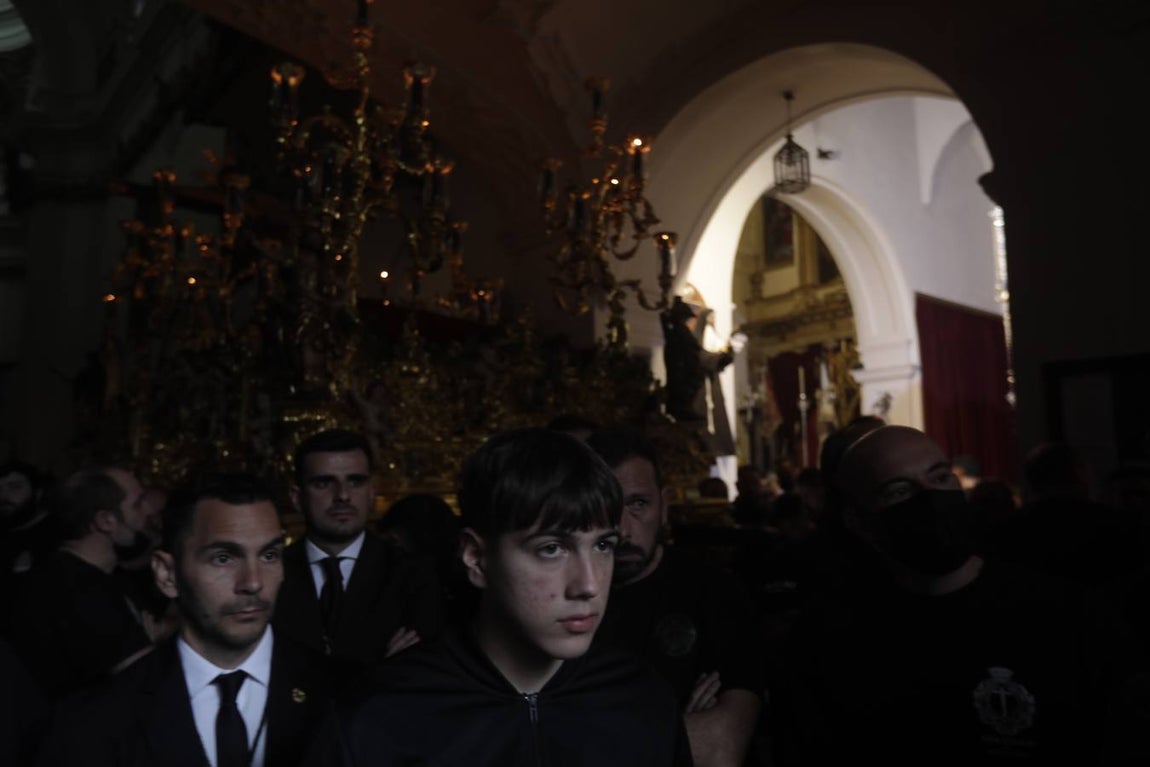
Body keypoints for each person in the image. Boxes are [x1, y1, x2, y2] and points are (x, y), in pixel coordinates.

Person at [774, 425, 1149, 766]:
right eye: (899, 491)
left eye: (940, 477)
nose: (931, 499)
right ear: (859, 522)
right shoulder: (829, 639)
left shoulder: (1070, 616)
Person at [317, 428, 690, 765]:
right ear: (476, 558)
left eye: (603, 546)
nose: (588, 585)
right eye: (551, 549)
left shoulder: (642, 699)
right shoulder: (379, 714)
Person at [38, 472, 332, 767]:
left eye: (269, 555)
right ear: (167, 575)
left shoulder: (344, 696)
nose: (253, 583)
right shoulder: (92, 720)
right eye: (224, 558)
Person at [588, 427, 763, 767]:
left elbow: (717, 750)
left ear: (665, 506)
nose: (623, 529)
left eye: (638, 504)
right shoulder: (565, 599)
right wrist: (673, 730)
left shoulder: (714, 592)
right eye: (604, 506)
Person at [273, 429, 442, 672]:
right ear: (297, 498)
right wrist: (377, 667)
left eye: (355, 481)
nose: (342, 495)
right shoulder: (271, 573)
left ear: (372, 492)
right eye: (323, 483)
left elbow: (421, 676)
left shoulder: (413, 575)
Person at [9, 467, 156, 697]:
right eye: (138, 504)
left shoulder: (103, 576)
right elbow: (142, 684)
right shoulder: (78, 590)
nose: (149, 511)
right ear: (106, 520)